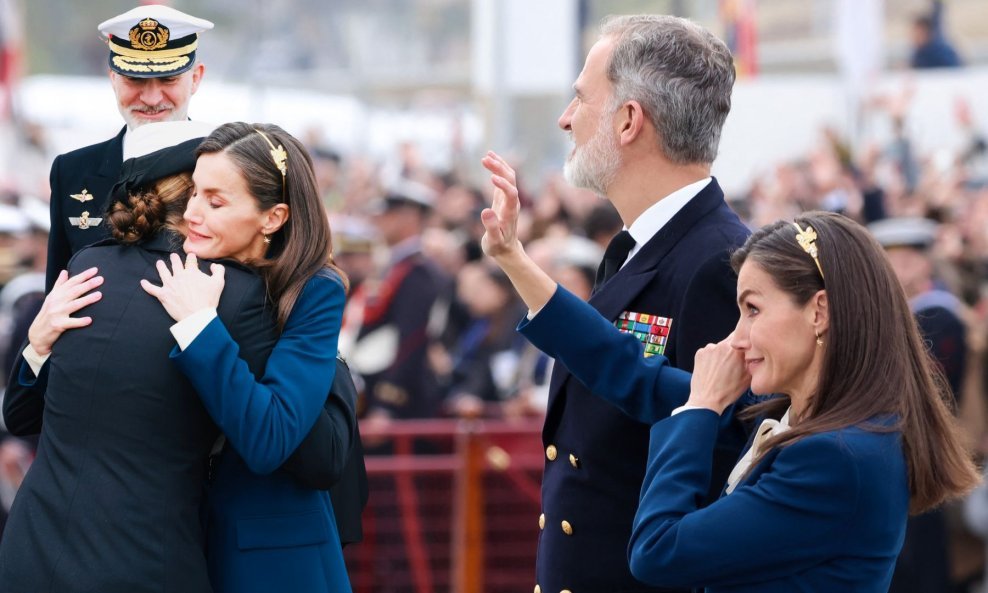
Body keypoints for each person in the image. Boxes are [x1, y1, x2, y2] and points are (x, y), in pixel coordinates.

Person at [478, 169, 980, 590]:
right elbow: (634, 372)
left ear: (820, 312)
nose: (735, 338)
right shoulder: (800, 418)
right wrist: (514, 260)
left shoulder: (836, 456)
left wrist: (699, 410)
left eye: (752, 310)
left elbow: (658, 551)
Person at [1, 122, 355, 593]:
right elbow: (24, 414)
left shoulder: (304, 290)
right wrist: (38, 344)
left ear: (273, 218)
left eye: (216, 201)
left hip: (260, 538)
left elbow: (306, 448)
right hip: (147, 543)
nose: (192, 213)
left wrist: (200, 328)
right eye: (193, 195)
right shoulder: (112, 268)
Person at [492, 14, 749, 592]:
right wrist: (512, 255)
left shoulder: (719, 262)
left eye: (581, 98)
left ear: (629, 119)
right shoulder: (636, 246)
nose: (565, 118)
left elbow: (712, 452)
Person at [45, 4, 211, 291]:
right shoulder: (72, 171)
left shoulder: (225, 168)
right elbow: (57, 287)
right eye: (135, 79)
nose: (150, 97)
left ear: (195, 78)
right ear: (113, 78)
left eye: (168, 79)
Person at [870, 217, 966, 593]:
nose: (896, 269)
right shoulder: (906, 314)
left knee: (925, 563)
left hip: (926, 452)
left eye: (906, 260)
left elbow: (928, 393)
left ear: (925, 263)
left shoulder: (938, 315)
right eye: (890, 260)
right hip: (906, 456)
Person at [910, 0, 963, 69]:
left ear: (928, 33)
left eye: (919, 34)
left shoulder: (941, 51)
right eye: (914, 34)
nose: (915, 37)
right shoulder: (919, 53)